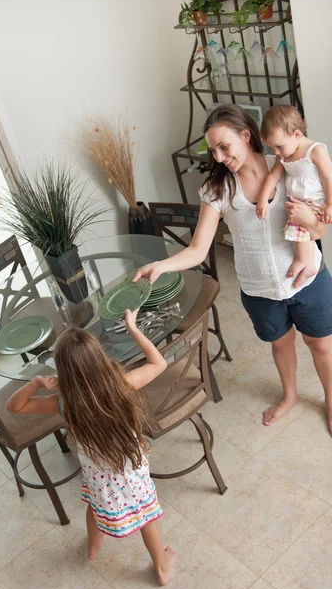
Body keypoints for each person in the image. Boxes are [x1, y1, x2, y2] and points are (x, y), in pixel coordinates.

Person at [134, 104, 332, 434]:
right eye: (214, 151)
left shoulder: (287, 165)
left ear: (245, 135)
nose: (220, 156)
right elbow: (197, 250)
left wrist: (314, 222)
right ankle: (290, 396)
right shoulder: (217, 190)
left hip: (308, 280)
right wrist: (161, 265)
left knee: (322, 345)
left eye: (225, 147)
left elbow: (321, 229)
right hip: (260, 290)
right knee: (280, 344)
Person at [6, 309, 176, 586]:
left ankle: (93, 550)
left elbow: (14, 406)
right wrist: (133, 329)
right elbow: (159, 364)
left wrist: (36, 383)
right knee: (146, 518)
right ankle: (160, 567)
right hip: (130, 470)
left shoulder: (65, 403)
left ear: (63, 370)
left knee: (94, 508)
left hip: (97, 478)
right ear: (99, 359)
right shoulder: (122, 384)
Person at [256, 105, 332, 283]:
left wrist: (330, 204)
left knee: (298, 228)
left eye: (279, 146)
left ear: (297, 134)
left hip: (315, 201)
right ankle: (310, 264)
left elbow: (328, 178)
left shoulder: (315, 150)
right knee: (302, 231)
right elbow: (273, 175)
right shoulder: (283, 155)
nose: (275, 152)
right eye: (271, 148)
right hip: (300, 201)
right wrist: (262, 199)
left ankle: (303, 261)